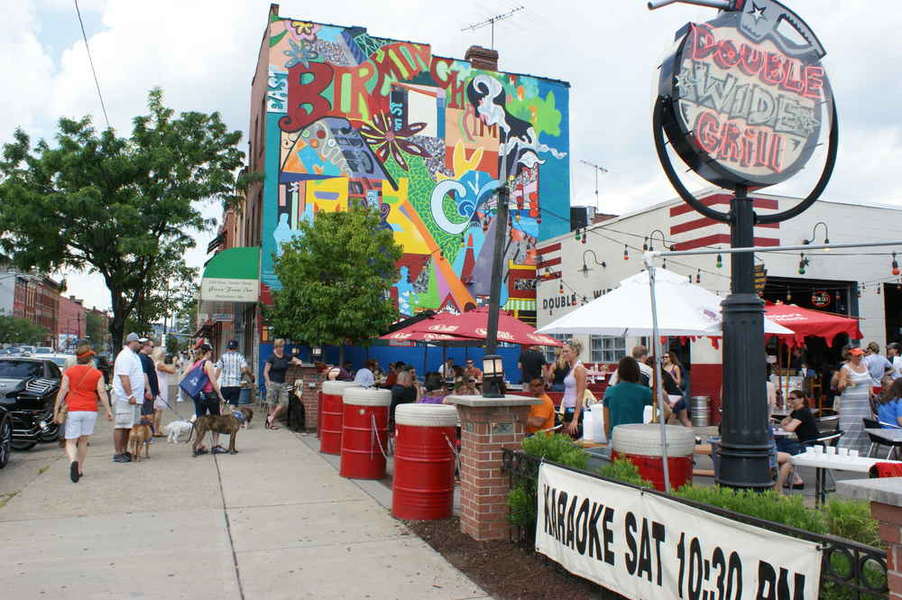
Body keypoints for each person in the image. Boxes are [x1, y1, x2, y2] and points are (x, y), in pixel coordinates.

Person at [54, 344, 111, 481]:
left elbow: (63, 391)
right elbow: (102, 392)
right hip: (90, 409)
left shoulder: (69, 372)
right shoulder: (97, 374)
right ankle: (79, 468)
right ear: (90, 359)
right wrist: (108, 410)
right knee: (84, 441)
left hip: (74, 408)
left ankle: (73, 461)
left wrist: (56, 409)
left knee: (71, 441)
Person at [185, 343, 228, 454]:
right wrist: (220, 395)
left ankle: (199, 445)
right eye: (211, 352)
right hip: (210, 395)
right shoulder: (207, 363)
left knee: (200, 420)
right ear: (208, 352)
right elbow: (213, 381)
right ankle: (215, 445)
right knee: (216, 420)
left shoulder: (194, 363)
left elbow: (184, 376)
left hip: (198, 396)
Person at [775, 390, 821, 491]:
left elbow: (789, 428)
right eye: (789, 398)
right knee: (779, 444)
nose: (790, 401)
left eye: (793, 398)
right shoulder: (796, 411)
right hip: (803, 443)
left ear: (801, 399)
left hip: (810, 446)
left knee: (780, 448)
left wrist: (785, 426)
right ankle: (794, 478)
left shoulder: (803, 412)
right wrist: (785, 424)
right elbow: (784, 422)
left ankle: (792, 479)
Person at [112, 333, 146, 463]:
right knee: (120, 425)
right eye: (139, 342)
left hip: (134, 398)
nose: (140, 345)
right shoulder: (125, 356)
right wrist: (130, 394)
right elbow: (124, 377)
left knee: (128, 426)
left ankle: (124, 450)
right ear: (132, 342)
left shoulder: (134, 356)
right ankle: (118, 452)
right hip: (124, 398)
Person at [603, 356, 653, 437]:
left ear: (619, 372)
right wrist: (649, 425)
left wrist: (608, 440)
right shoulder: (644, 391)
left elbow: (606, 424)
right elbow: (667, 411)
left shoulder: (609, 391)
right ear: (636, 372)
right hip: (636, 436)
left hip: (617, 438)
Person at [837, 347, 872, 455]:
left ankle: (862, 454)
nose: (860, 357)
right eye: (857, 355)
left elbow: (869, 382)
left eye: (861, 355)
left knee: (862, 428)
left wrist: (871, 394)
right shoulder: (845, 368)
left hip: (864, 405)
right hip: (850, 406)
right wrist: (846, 383)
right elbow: (840, 387)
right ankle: (844, 454)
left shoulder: (865, 365)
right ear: (850, 356)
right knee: (849, 429)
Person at [263, 339, 303, 430]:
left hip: (283, 384)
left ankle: (271, 417)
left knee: (285, 403)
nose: (281, 349)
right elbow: (265, 372)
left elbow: (295, 359)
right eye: (279, 347)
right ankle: (270, 424)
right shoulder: (271, 357)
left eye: (282, 347)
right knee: (271, 404)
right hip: (272, 383)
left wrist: (298, 361)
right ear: (275, 347)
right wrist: (268, 383)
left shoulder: (285, 356)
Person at [559, 341, 587, 437]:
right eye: (563, 351)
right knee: (568, 439)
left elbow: (580, 394)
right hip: (569, 408)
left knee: (572, 439)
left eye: (567, 351)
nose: (564, 354)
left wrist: (575, 419)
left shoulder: (579, 369)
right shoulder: (572, 368)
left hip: (574, 409)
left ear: (574, 352)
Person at [214, 340, 253, 409]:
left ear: (228, 347)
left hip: (225, 385)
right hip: (236, 385)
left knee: (222, 404)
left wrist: (213, 383)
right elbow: (245, 369)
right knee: (232, 405)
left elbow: (218, 371)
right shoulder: (240, 357)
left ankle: (220, 418)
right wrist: (250, 376)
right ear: (237, 348)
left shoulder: (223, 357)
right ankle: (231, 418)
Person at [152, 347, 178, 437]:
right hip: (161, 386)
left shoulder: (156, 363)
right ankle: (156, 430)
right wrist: (174, 361)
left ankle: (155, 428)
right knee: (159, 409)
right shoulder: (159, 364)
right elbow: (172, 371)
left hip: (159, 384)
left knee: (156, 409)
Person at [137, 338, 160, 428]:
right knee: (147, 413)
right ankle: (145, 433)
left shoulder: (147, 358)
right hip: (146, 391)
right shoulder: (143, 358)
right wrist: (148, 390)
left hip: (151, 390)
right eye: (152, 346)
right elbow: (144, 374)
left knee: (149, 411)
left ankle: (148, 432)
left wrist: (156, 390)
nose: (153, 349)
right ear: (145, 346)